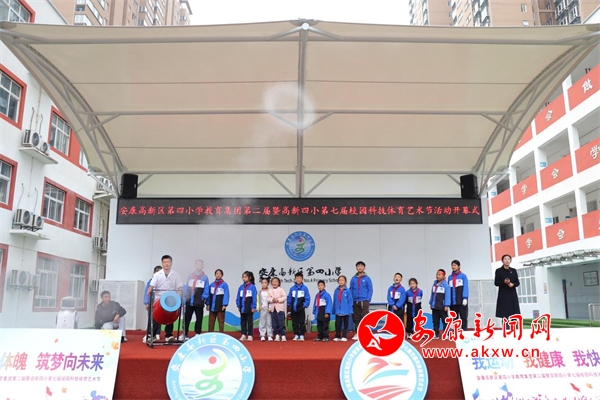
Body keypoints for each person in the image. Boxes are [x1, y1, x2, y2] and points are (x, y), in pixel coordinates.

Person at [147, 255, 183, 343]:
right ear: (162, 263)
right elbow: (151, 286)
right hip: (159, 299)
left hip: (171, 300)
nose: (166, 264)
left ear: (171, 263)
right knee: (155, 317)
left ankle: (169, 335)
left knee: (170, 317)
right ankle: (151, 335)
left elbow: (179, 288)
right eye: (165, 262)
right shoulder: (157, 275)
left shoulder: (176, 275)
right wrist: (149, 290)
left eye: (168, 262)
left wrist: (178, 299)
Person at [181, 259, 210, 341]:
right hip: (189, 301)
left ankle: (197, 333)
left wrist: (202, 298)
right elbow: (187, 287)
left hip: (199, 302)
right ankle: (185, 333)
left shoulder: (205, 277)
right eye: (197, 264)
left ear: (203, 266)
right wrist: (185, 296)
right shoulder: (190, 276)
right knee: (187, 318)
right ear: (195, 265)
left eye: (200, 264)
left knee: (199, 318)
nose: (199, 265)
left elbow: (206, 289)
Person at [495, 254, 521, 327]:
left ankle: (515, 328)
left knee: (514, 313)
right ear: (502, 261)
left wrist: (513, 284)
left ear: (510, 261)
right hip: (503, 295)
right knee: (505, 314)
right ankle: (506, 328)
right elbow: (496, 283)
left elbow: (517, 282)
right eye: (505, 259)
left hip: (512, 294)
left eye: (508, 259)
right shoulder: (499, 271)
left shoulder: (513, 270)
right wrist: (504, 282)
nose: (507, 261)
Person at [350, 261, 373, 340]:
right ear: (356, 268)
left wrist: (368, 299)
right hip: (355, 300)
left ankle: (365, 332)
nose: (360, 267)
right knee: (356, 317)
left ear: (364, 268)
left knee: (364, 317)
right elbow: (351, 289)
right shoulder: (353, 278)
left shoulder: (367, 278)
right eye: (358, 266)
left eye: (361, 266)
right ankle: (357, 332)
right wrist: (351, 299)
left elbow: (370, 289)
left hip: (364, 300)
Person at [287, 272, 310, 341]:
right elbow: (289, 297)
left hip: (301, 308)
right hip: (293, 309)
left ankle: (302, 335)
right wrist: (289, 305)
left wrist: (304, 305)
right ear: (295, 279)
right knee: (294, 322)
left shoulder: (305, 288)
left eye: (300, 278)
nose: (298, 279)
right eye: (297, 278)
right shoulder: (292, 288)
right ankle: (296, 334)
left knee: (301, 322)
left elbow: (307, 298)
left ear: (302, 279)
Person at [429, 269, 450, 339]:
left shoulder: (446, 285)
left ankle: (446, 333)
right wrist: (431, 303)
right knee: (435, 321)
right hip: (435, 306)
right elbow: (432, 295)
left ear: (443, 276)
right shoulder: (434, 284)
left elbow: (447, 296)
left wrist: (446, 305)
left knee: (445, 321)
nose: (437, 276)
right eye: (437, 274)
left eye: (439, 275)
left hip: (442, 306)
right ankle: (436, 334)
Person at [448, 259, 469, 330]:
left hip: (461, 301)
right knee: (455, 318)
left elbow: (465, 287)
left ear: (459, 266)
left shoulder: (463, 276)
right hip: (453, 302)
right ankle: (456, 331)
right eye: (452, 265)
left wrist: (465, 298)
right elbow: (448, 290)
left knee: (463, 317)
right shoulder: (450, 277)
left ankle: (464, 331)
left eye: (455, 265)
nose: (453, 267)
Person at [236, 271, 257, 341]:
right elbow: (238, 296)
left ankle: (250, 335)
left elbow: (254, 297)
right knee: (243, 321)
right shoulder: (241, 287)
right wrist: (238, 305)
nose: (244, 278)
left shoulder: (252, 287)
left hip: (249, 306)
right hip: (242, 307)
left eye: (245, 277)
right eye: (243, 277)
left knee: (249, 321)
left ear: (249, 278)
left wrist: (253, 306)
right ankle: (243, 334)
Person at [143, 265, 162, 343]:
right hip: (152, 303)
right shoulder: (150, 281)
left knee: (159, 319)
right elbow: (146, 292)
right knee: (151, 319)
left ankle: (157, 333)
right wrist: (146, 302)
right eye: (157, 271)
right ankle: (149, 334)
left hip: (160, 303)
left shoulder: (164, 282)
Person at [332, 275, 352, 342]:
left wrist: (350, 310)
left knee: (345, 324)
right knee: (338, 324)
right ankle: (337, 336)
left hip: (345, 310)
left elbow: (350, 301)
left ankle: (344, 336)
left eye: (342, 280)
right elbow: (335, 300)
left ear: (345, 282)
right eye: (340, 280)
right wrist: (334, 309)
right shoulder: (336, 291)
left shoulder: (348, 291)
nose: (341, 281)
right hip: (338, 311)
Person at [268, 277, 287, 342]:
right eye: (273, 282)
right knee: (274, 323)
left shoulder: (281, 290)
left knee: (281, 322)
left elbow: (284, 297)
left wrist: (278, 300)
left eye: (276, 282)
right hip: (273, 309)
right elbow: (268, 298)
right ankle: (276, 335)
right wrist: (272, 299)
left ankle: (283, 335)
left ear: (279, 283)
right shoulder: (270, 290)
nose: (274, 283)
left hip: (280, 309)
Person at [257, 277, 273, 342]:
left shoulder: (270, 291)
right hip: (262, 309)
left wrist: (270, 307)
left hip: (268, 309)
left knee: (269, 322)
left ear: (268, 284)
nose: (264, 284)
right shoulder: (259, 292)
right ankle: (262, 335)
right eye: (262, 283)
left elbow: (271, 300)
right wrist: (258, 307)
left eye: (265, 283)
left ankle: (269, 335)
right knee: (262, 322)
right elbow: (258, 300)